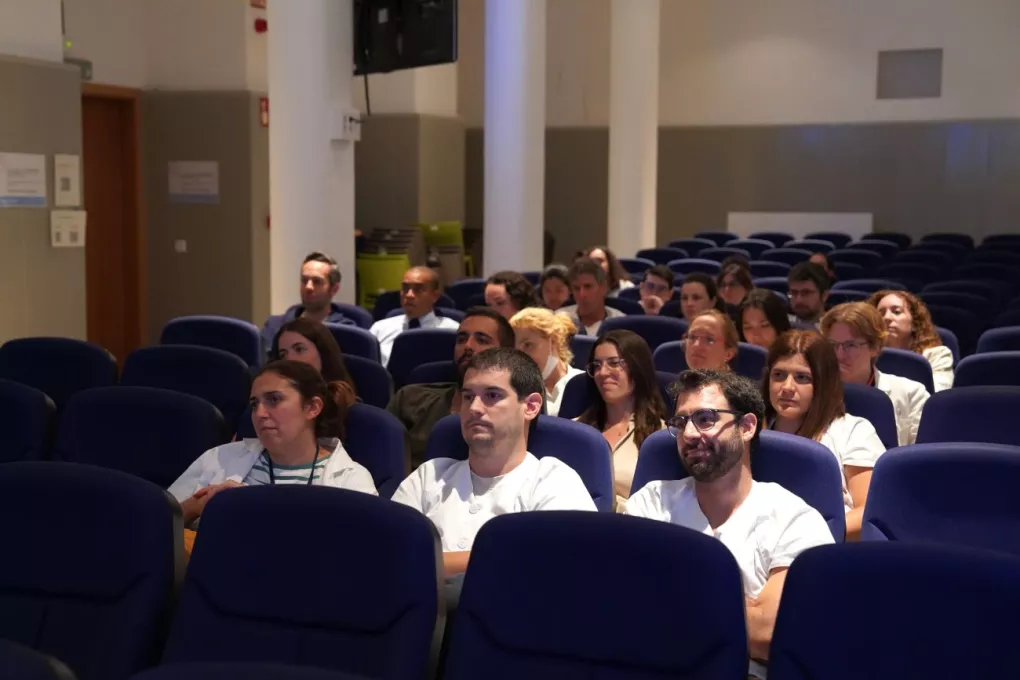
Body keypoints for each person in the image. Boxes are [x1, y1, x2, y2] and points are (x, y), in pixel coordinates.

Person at [625, 369, 834, 679]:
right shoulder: (651, 502)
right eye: (681, 422)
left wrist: (665, 602)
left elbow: (770, 633)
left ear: (747, 426)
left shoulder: (793, 518)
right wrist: (741, 610)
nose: (691, 434)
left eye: (706, 419)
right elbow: (624, 607)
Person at [391, 348, 596, 577]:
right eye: (468, 397)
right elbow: (387, 554)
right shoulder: (429, 475)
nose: (474, 408)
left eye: (492, 395)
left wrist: (424, 561)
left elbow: (554, 569)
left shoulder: (553, 481)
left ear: (531, 406)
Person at [169, 360, 377, 529]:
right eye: (254, 404)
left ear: (312, 407)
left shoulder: (351, 480)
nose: (259, 413)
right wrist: (198, 506)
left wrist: (249, 507)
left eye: (274, 400)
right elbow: (157, 529)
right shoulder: (218, 459)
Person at [764, 330, 885, 540]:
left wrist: (801, 537)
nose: (787, 387)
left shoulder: (853, 430)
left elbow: (869, 511)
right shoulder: (751, 430)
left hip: (826, 546)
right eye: (779, 375)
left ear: (823, 383)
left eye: (802, 377)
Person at [386, 307, 516, 470]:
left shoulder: (514, 414)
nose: (468, 346)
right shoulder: (409, 398)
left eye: (482, 340)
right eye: (461, 339)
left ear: (506, 354)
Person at [575, 330, 666, 511]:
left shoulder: (661, 436)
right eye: (597, 365)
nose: (603, 372)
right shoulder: (574, 430)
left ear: (637, 368)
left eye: (614, 363)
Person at [821, 302, 930, 446]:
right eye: (832, 345)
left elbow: (921, 455)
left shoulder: (912, 393)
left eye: (850, 345)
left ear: (875, 348)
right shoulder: (812, 391)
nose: (839, 355)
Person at [261, 252, 357, 361]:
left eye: (317, 282)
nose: (308, 287)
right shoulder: (275, 325)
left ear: (334, 289)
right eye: (304, 280)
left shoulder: (346, 332)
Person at [369, 266, 459, 367]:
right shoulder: (379, 328)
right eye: (405, 288)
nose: (409, 295)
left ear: (435, 296)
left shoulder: (452, 331)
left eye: (418, 289)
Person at [868, 290, 954, 392]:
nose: (887, 318)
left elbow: (938, 395)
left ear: (914, 323)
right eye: (881, 314)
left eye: (896, 312)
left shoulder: (937, 355)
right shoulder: (867, 354)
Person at [510, 307, 584, 417]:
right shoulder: (512, 390)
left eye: (528, 345)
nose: (520, 356)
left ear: (553, 341)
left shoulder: (586, 384)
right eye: (515, 349)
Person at [271, 317, 359, 395]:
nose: (290, 359)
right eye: (283, 355)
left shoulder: (345, 403)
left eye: (299, 349)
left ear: (322, 352)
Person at [557, 258, 625, 335]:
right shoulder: (559, 319)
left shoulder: (620, 322)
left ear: (603, 288)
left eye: (588, 287)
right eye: (576, 288)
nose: (582, 294)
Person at [787, 262, 831, 329]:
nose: (799, 300)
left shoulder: (836, 330)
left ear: (824, 296)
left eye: (806, 293)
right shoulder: (780, 326)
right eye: (794, 293)